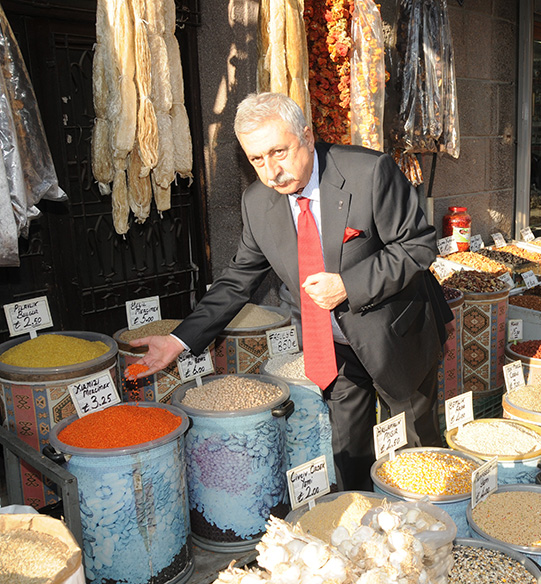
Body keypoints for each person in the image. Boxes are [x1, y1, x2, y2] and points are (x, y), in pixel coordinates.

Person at [131, 92, 452, 491]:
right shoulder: (258, 203)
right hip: (331, 347)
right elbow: (238, 279)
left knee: (416, 448)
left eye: (278, 152)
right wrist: (180, 339)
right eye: (256, 160)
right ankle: (364, 527)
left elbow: (418, 245)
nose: (271, 171)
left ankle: (431, 531)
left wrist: (347, 285)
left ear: (307, 135)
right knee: (348, 451)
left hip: (396, 336)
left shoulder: (370, 172)